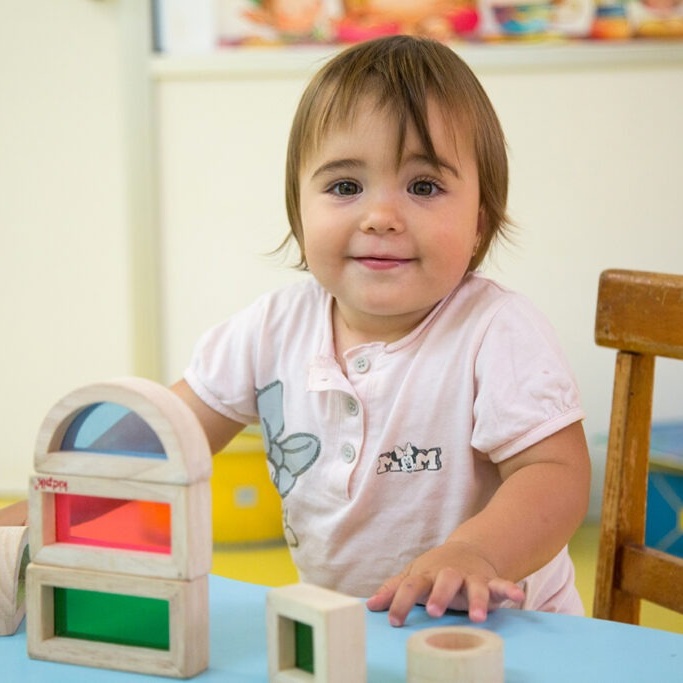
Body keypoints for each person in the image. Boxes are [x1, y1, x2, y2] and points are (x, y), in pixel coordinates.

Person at [1, 35, 591, 628]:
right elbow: (167, 435)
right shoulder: (273, 328)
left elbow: (556, 475)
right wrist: (53, 503)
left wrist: (475, 553)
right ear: (298, 211)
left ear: (480, 218)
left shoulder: (495, 330)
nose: (380, 216)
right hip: (349, 631)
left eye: (423, 187)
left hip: (506, 628)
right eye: (344, 187)